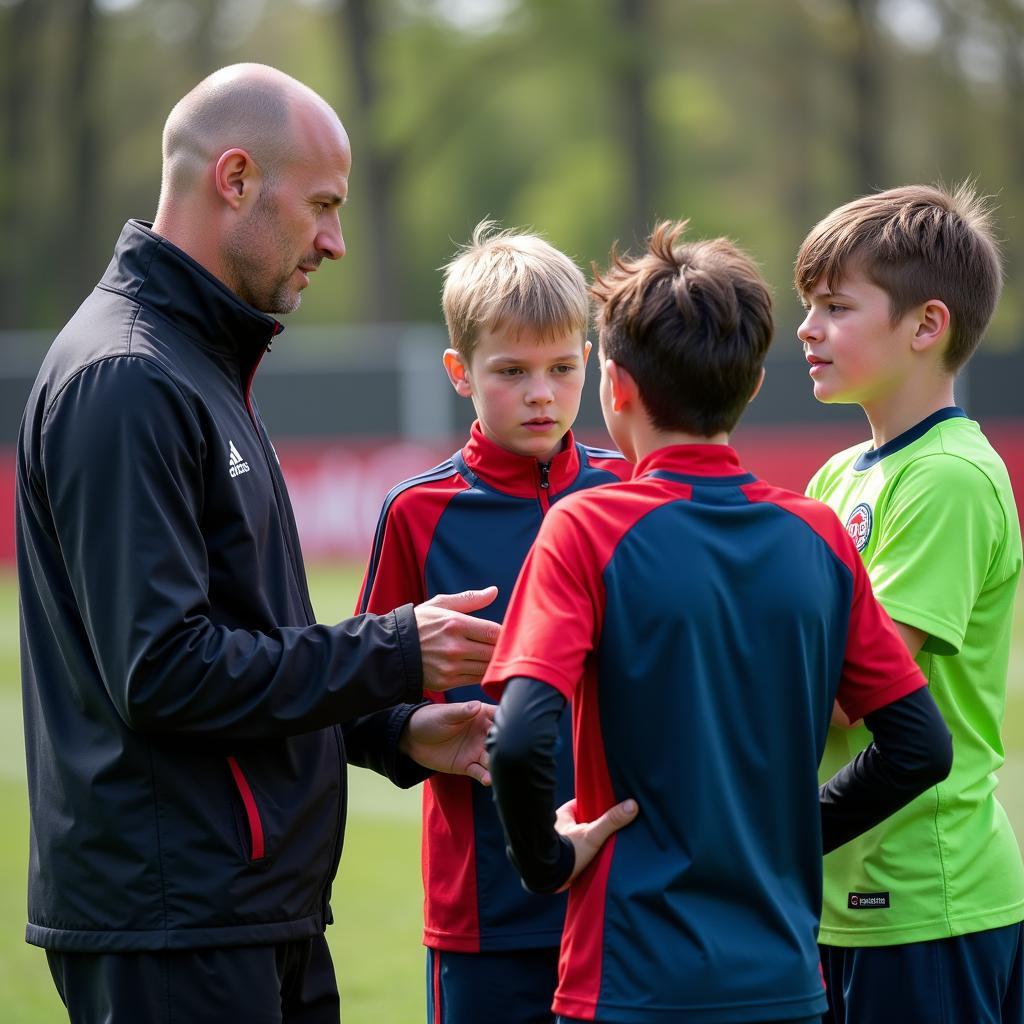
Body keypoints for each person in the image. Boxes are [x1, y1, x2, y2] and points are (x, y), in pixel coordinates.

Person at [16, 63, 501, 1023]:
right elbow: (163, 671)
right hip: (177, 927)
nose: (336, 239)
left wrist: (389, 728)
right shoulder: (128, 379)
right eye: (321, 204)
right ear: (235, 179)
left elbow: (249, 635)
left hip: (243, 910)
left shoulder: (196, 363)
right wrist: (395, 649)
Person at [483, 221, 953, 1024]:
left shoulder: (586, 530)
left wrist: (546, 861)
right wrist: (793, 833)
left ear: (617, 385)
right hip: (785, 984)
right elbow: (919, 747)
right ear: (750, 388)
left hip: (627, 984)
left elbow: (520, 739)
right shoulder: (819, 536)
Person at [354, 221, 633, 1024]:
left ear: (593, 364)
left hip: (627, 891)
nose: (541, 392)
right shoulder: (415, 513)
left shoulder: (633, 494)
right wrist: (411, 731)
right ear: (459, 372)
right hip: (485, 914)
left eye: (562, 367)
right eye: (512, 371)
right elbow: (355, 705)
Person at [795, 183, 1024, 1023]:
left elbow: (859, 691)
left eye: (835, 306)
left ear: (926, 326)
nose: (808, 329)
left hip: (927, 897)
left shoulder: (950, 477)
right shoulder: (838, 475)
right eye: (807, 306)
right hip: (837, 892)